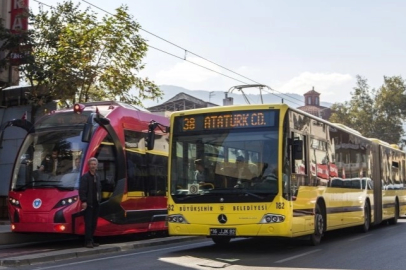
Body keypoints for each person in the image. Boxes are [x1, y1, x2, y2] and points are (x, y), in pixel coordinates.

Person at [79, 157, 101, 248]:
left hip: (96, 203)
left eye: (94, 164)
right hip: (88, 203)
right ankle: (88, 241)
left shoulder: (97, 176)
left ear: (97, 166)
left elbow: (99, 188)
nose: (93, 166)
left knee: (94, 223)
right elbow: (82, 190)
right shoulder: (85, 177)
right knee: (88, 223)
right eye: (91, 164)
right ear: (88, 166)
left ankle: (91, 240)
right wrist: (84, 201)